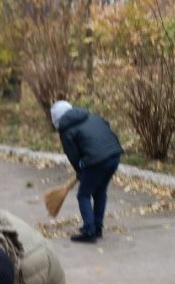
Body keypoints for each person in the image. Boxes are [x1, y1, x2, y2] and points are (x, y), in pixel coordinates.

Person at [50, 100, 123, 243]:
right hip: (114, 155)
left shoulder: (66, 130)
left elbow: (73, 156)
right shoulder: (91, 116)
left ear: (57, 120)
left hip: (96, 161)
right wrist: (83, 169)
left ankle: (89, 231)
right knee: (100, 192)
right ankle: (97, 227)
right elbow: (105, 128)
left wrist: (80, 170)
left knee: (83, 194)